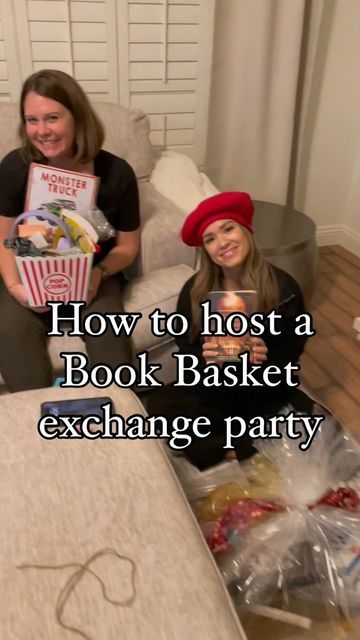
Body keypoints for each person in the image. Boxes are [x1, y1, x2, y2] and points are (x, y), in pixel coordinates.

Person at [146, 191, 315, 470]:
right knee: (161, 404)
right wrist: (204, 357)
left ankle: (231, 450)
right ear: (206, 250)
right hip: (213, 391)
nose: (222, 243)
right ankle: (247, 449)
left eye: (228, 229)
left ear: (245, 231)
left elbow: (293, 351)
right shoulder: (195, 290)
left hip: (264, 390)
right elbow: (185, 349)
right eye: (210, 239)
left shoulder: (284, 288)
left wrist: (266, 356)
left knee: (306, 416)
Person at [0, 69, 140, 392]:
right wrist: (14, 286)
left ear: (77, 117)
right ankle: (41, 428)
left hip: (92, 277)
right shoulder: (14, 167)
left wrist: (99, 274)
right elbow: (5, 241)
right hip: (27, 273)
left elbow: (128, 247)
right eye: (32, 121)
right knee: (10, 328)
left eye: (52, 118)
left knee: (111, 343)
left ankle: (112, 424)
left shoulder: (117, 174)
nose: (41, 131)